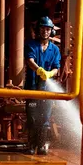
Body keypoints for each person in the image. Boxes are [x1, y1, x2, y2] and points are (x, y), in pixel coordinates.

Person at [24, 16, 61, 155]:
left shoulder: (54, 50)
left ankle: (41, 146)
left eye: (48, 29)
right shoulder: (31, 45)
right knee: (32, 117)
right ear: (38, 30)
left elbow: (56, 67)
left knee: (44, 117)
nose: (45, 31)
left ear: (51, 31)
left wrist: (50, 74)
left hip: (47, 89)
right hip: (32, 88)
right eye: (42, 28)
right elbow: (29, 60)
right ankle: (31, 145)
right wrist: (39, 70)